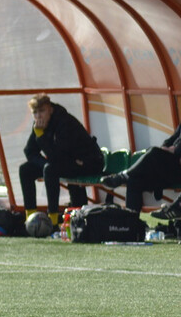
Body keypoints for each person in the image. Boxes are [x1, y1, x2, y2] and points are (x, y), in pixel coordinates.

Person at [18, 94, 105, 226]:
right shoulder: (39, 126)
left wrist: (41, 137)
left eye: (42, 111)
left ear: (50, 110)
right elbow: (29, 151)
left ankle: (52, 220)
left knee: (50, 169)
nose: (38, 116)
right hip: (68, 162)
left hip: (88, 162)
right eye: (35, 112)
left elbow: (58, 156)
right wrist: (44, 162)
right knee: (25, 169)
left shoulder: (64, 122)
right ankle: (30, 219)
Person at [101, 123, 181, 213]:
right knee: (133, 180)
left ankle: (123, 176)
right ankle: (132, 222)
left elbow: (177, 151)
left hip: (177, 172)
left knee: (154, 152)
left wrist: (174, 150)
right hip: (170, 168)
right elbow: (170, 140)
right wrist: (167, 148)